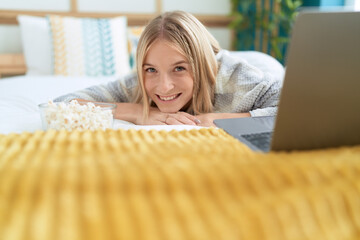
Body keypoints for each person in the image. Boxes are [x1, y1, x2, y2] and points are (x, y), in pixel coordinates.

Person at [54, 11, 283, 127]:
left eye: (179, 68)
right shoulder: (139, 83)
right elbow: (63, 106)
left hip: (261, 62)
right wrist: (138, 112)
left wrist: (219, 120)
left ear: (200, 64)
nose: (163, 87)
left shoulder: (236, 78)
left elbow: (301, 111)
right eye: (151, 69)